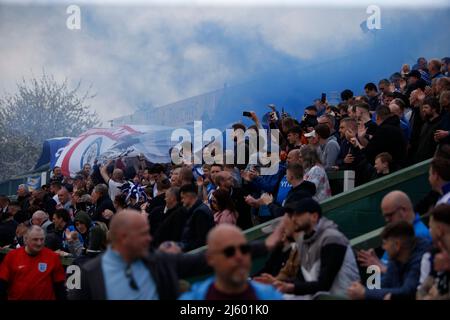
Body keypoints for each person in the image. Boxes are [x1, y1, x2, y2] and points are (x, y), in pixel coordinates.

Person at [273, 198, 360, 299]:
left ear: (314, 217)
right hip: (318, 295)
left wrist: (291, 287)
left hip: (342, 296)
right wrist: (277, 283)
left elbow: (325, 284)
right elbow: (304, 280)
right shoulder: (302, 240)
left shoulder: (332, 238)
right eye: (293, 215)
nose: (294, 219)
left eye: (299, 214)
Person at [179, 224, 283, 300]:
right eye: (229, 252)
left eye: (244, 249)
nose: (239, 257)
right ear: (210, 259)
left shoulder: (271, 296)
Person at [348, 221, 430, 300]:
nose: (383, 247)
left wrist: (365, 292)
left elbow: (407, 292)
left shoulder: (419, 260)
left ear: (397, 245)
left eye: (385, 243)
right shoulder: (395, 260)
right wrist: (361, 288)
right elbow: (385, 283)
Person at [357, 191, 431, 273]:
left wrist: (379, 266)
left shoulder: (419, 236)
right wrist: (376, 261)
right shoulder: (397, 233)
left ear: (403, 210)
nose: (387, 220)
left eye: (390, 215)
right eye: (385, 217)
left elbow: (410, 279)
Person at [0, 226, 66, 300]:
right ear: (25, 240)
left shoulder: (52, 257)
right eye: (35, 239)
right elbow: (2, 283)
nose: (39, 243)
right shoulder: (12, 256)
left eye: (42, 239)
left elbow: (59, 286)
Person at [417, 204, 450, 300]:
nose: (429, 231)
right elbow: (422, 290)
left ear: (439, 230)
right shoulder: (436, 253)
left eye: (431, 227)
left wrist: (435, 297)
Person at [179, 184, 215, 252]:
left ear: (189, 197)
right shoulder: (197, 210)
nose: (181, 201)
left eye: (182, 198)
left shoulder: (200, 212)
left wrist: (183, 248)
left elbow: (201, 240)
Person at [413, 97, 442, 163]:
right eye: (423, 107)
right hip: (420, 160)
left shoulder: (440, 124)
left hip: (430, 162)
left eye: (426, 107)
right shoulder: (425, 124)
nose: (423, 110)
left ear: (434, 109)